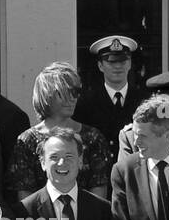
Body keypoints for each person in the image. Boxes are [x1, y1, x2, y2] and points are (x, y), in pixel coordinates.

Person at [6, 62, 111, 202]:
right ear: (46, 94)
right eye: (64, 92)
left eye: (76, 92)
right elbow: (25, 195)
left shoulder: (93, 137)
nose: (72, 98)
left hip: (86, 218)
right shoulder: (27, 140)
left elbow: (99, 190)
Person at [74, 35, 149, 157]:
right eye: (111, 61)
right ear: (100, 66)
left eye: (122, 60)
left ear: (129, 63)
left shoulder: (144, 102)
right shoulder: (86, 103)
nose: (118, 66)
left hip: (135, 171)